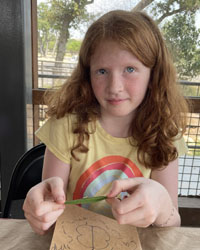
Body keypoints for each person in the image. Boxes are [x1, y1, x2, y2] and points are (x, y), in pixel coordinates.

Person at [23, 10, 188, 235]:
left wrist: (162, 206)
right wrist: (40, 211)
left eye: (130, 69)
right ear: (87, 74)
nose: (114, 87)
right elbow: (50, 208)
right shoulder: (64, 126)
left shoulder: (165, 135)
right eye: (102, 71)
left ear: (153, 75)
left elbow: (172, 223)